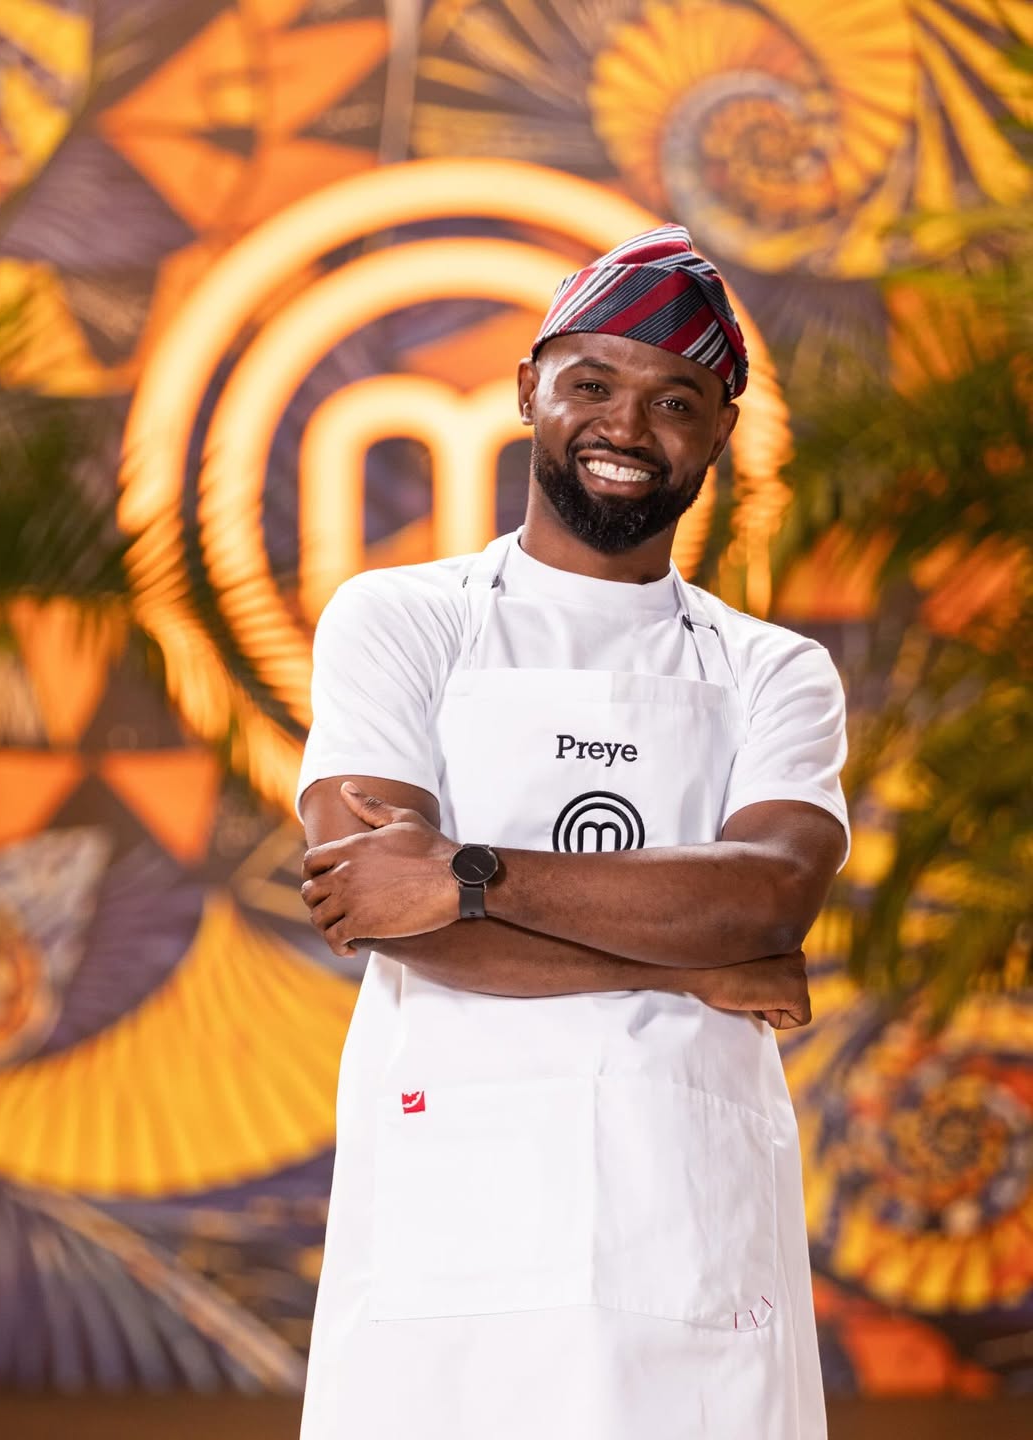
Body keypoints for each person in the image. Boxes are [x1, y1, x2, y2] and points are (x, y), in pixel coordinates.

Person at [296, 225, 849, 1439]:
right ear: (528, 391)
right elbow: (374, 908)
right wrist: (696, 958)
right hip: (446, 1225)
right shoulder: (400, 620)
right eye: (590, 383)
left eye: (673, 400)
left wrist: (465, 875)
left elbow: (767, 900)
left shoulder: (776, 672)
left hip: (693, 1221)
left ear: (721, 431)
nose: (624, 427)